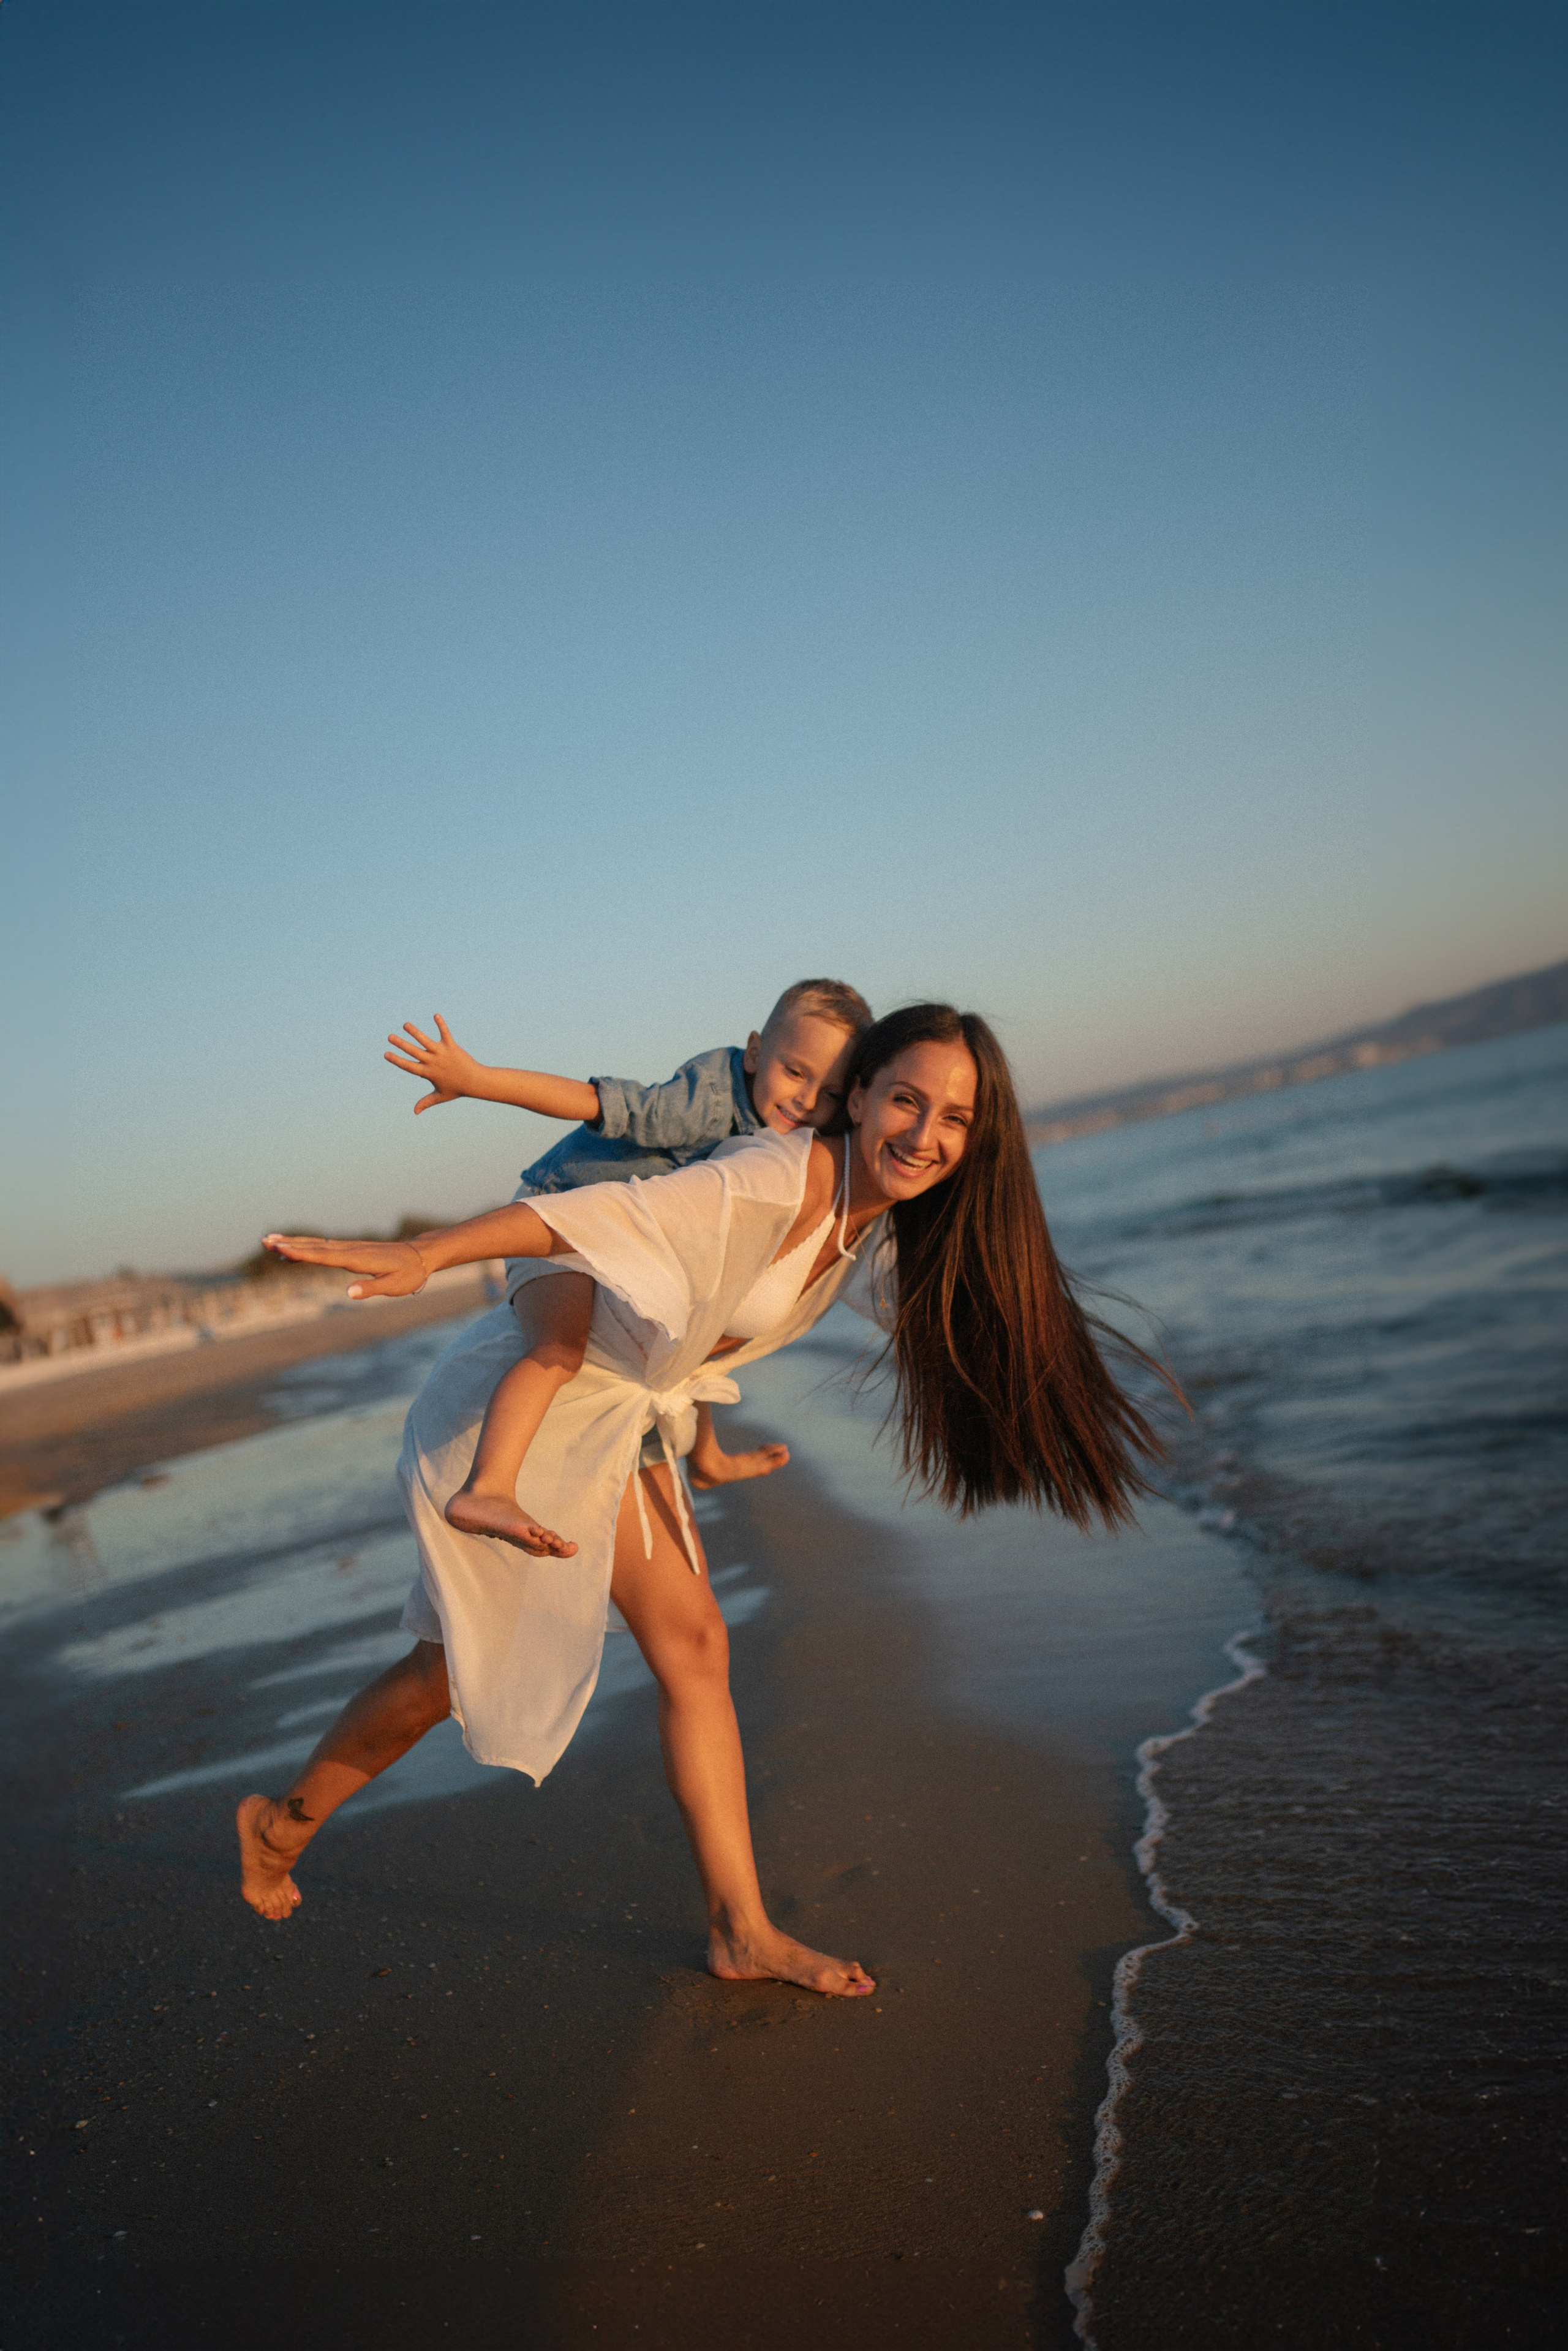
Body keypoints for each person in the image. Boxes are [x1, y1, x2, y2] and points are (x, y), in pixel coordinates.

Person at [238, 1005, 1170, 1998]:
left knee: (690, 1647)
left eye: (955, 1116)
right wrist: (431, 1254)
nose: (925, 1132)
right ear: (858, 1096)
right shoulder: (774, 1173)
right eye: (905, 1097)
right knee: (451, 1675)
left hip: (615, 1415)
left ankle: (740, 1928)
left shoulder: (869, 1217)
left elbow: (951, 1304)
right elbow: (588, 1220)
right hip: (527, 1410)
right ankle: (280, 1822)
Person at [382, 979, 872, 1555]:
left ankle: (706, 1457)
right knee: (558, 1349)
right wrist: (478, 1080)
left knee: (700, 1320)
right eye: (795, 1072)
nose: (808, 1100)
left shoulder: (799, 1136)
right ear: (757, 1051)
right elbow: (603, 1104)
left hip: (629, 1243)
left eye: (832, 1092)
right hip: (564, 1223)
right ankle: (487, 1486)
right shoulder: (708, 1101)